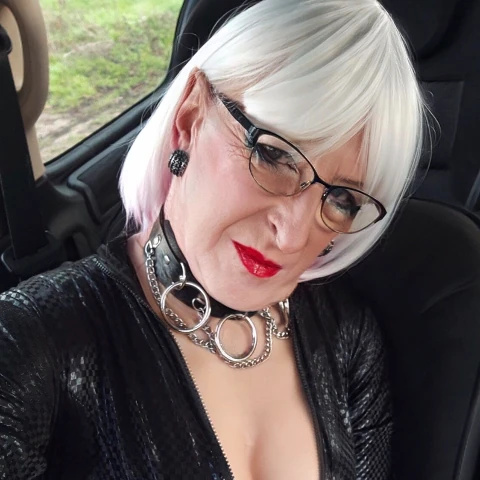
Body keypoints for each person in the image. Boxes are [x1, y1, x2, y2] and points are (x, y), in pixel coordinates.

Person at [0, 0, 426, 478]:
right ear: (189, 117)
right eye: (274, 155)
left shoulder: (349, 338)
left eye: (342, 200)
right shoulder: (29, 343)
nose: (291, 237)